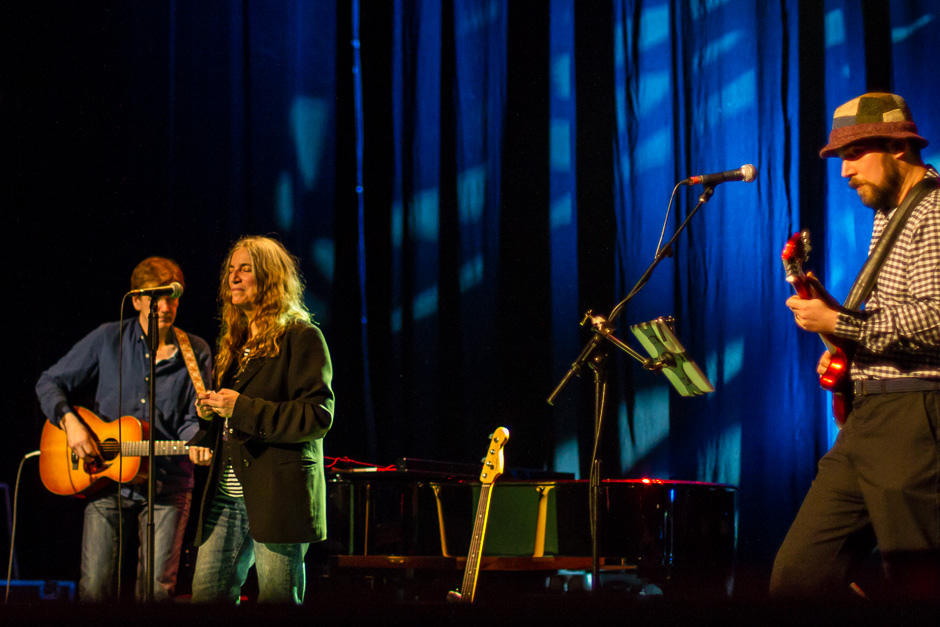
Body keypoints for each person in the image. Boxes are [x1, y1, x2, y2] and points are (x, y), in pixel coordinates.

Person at [773, 93, 940, 598]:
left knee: (917, 586)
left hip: (913, 416)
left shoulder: (933, 210)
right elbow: (885, 319)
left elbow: (936, 318)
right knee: (797, 579)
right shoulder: (890, 213)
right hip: (870, 419)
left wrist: (843, 323)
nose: (844, 171)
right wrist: (844, 341)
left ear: (897, 146)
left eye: (853, 154)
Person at [35, 257, 212, 601]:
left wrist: (197, 442)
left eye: (171, 297)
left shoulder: (196, 351)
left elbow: (194, 420)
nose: (165, 307)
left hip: (168, 485)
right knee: (94, 589)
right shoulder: (108, 338)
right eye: (155, 298)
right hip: (106, 482)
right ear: (136, 301)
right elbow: (49, 382)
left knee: (157, 592)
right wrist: (71, 424)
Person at [190, 235, 334, 604]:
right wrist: (209, 419)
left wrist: (240, 407)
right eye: (231, 270)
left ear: (269, 278)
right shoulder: (236, 342)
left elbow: (316, 416)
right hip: (228, 494)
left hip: (276, 494)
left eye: (245, 270)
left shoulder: (301, 336)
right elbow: (232, 418)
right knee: (206, 596)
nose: (233, 278)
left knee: (277, 599)